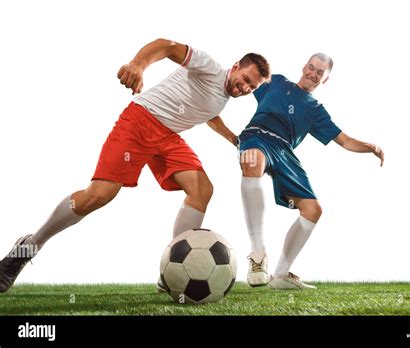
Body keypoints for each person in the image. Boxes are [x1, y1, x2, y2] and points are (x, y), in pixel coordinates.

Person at [0, 38, 270, 293]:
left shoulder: (223, 96)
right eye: (246, 80)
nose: (246, 88)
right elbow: (166, 46)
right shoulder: (209, 66)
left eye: (252, 88)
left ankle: (171, 273)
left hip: (167, 136)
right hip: (139, 123)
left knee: (202, 190)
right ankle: (28, 247)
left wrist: (234, 139)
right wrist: (138, 65)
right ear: (235, 66)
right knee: (97, 196)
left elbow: (211, 115)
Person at [239, 53, 384, 289]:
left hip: (284, 150)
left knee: (312, 210)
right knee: (252, 160)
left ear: (324, 80)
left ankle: (281, 275)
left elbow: (345, 141)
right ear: (304, 66)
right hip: (257, 135)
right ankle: (258, 255)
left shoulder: (316, 110)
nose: (313, 74)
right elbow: (242, 84)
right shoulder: (274, 82)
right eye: (312, 68)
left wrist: (370, 147)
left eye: (320, 72)